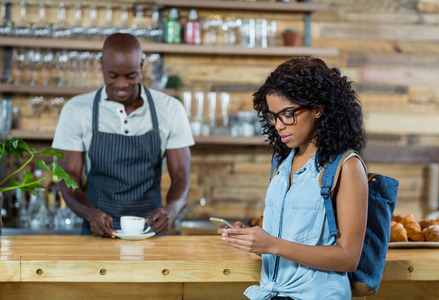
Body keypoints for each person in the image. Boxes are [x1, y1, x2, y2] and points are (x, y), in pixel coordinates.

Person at [219, 57, 368, 299]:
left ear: (318, 108)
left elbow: (348, 258)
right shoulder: (281, 163)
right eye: (273, 116)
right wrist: (253, 240)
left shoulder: (346, 166)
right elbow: (288, 245)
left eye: (287, 114)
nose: (278, 125)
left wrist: (271, 245)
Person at [52, 33, 194, 237]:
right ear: (101, 64)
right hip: (97, 232)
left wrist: (170, 212)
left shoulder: (170, 109)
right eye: (112, 76)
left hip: (150, 234)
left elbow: (181, 177)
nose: (121, 85)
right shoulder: (76, 110)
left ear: (142, 65)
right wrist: (91, 214)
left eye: (130, 76)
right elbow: (67, 177)